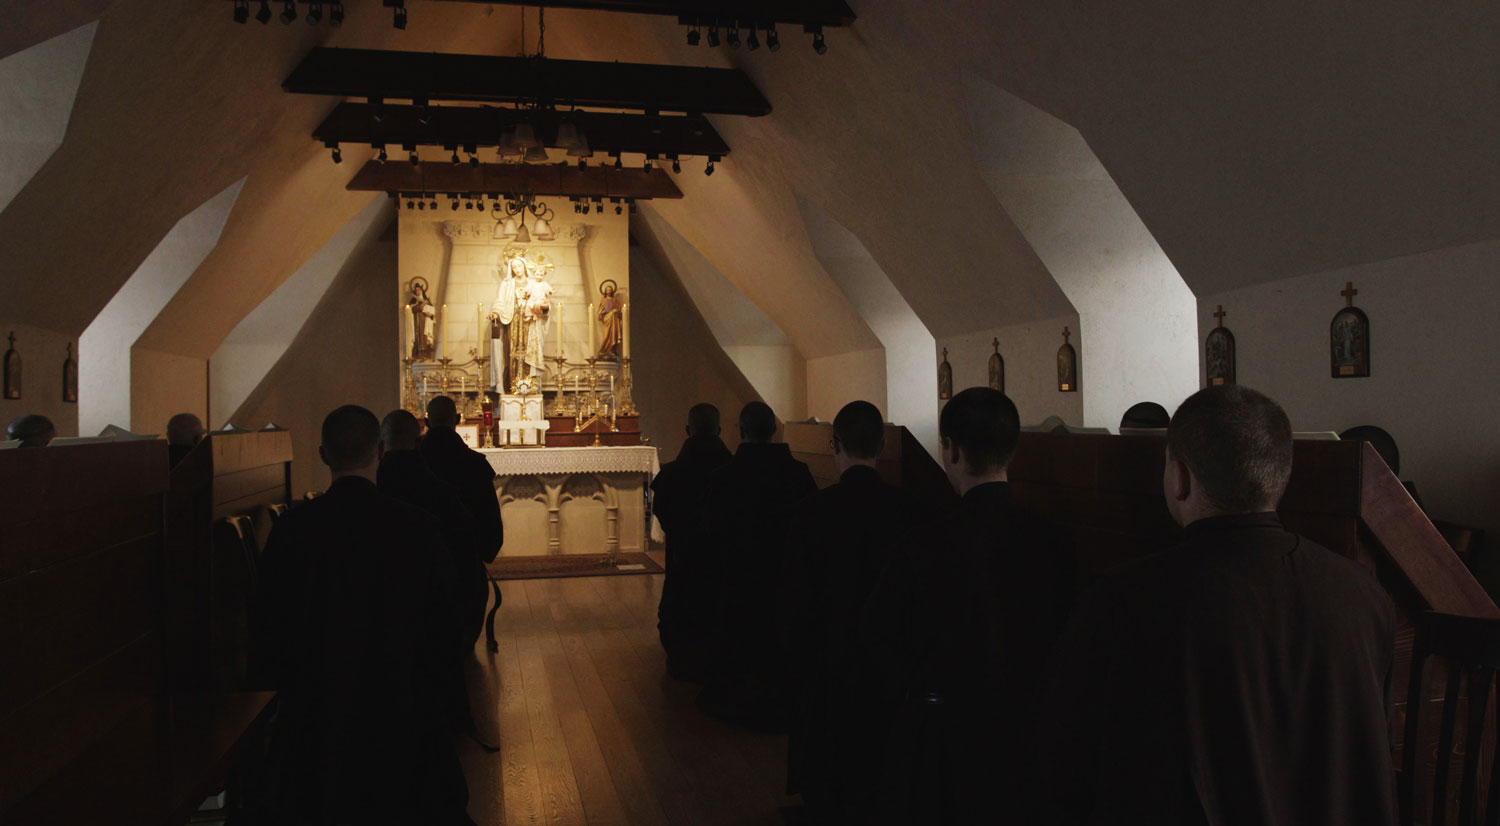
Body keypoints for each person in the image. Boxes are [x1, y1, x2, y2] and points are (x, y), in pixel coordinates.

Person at [1040, 385, 1397, 826]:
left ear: (1181, 478)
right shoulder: (1361, 592)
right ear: (1280, 475)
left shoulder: (1123, 600)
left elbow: (1068, 762)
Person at [248, 405, 473, 826]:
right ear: (382, 450)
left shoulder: (292, 532)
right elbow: (446, 631)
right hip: (402, 723)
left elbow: (268, 630)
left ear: (322, 454)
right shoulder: (417, 528)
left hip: (315, 729)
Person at [862, 387, 1077, 825]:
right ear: (1011, 450)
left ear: (950, 450)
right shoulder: (1058, 544)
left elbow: (880, 641)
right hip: (1031, 742)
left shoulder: (921, 545)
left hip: (943, 746)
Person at [784, 401, 923, 824]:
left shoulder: (811, 511)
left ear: (833, 445)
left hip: (828, 655)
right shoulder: (911, 512)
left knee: (828, 753)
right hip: (890, 662)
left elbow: (796, 597)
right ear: (881, 445)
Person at [697, 400, 817, 730]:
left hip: (738, 582)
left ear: (741, 432)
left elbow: (709, 533)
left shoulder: (725, 478)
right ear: (774, 431)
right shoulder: (798, 474)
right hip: (785, 581)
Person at [650, 403, 733, 681]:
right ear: (719, 430)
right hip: (725, 564)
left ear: (688, 430)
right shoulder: (733, 470)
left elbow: (661, 510)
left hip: (683, 560)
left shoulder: (674, 473)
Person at [420, 395, 503, 566]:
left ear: (426, 422)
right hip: (466, 564)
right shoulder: (474, 464)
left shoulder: (412, 463)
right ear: (458, 419)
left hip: (421, 567)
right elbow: (491, 527)